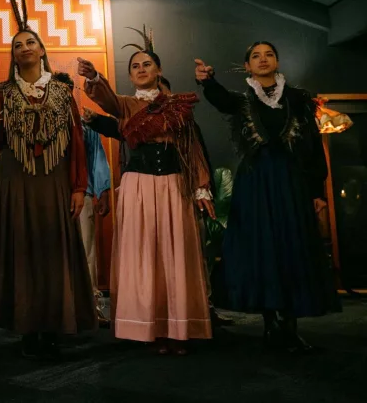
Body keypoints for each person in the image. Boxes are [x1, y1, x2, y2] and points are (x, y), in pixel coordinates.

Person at [0, 0, 95, 360]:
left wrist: (79, 187)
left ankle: (52, 326)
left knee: (53, 253)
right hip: (15, 181)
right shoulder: (1, 93)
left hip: (54, 182)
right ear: (13, 54)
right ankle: (26, 329)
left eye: (30, 42)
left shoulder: (63, 92)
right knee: (20, 252)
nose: (24, 48)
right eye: (17, 44)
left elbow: (76, 147)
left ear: (41, 49)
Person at [195, 42, 340, 353]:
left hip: (291, 182)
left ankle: (290, 325)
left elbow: (313, 144)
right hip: (256, 183)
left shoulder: (298, 98)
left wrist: (317, 191)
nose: (263, 60)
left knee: (292, 246)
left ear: (277, 61)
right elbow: (221, 101)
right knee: (262, 248)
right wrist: (207, 80)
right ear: (247, 66)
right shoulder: (244, 99)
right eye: (256, 56)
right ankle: (270, 323)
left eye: (269, 54)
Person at [78, 27, 214, 355]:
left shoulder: (178, 106)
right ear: (130, 74)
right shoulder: (125, 106)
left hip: (172, 186)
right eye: (135, 66)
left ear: (159, 70)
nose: (141, 69)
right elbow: (106, 99)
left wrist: (201, 189)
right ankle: (147, 327)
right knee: (144, 256)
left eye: (147, 64)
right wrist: (95, 77)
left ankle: (177, 328)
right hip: (138, 187)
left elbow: (191, 147)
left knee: (174, 256)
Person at [78, 120, 111, 325]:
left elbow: (98, 158)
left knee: (87, 251)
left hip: (83, 194)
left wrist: (103, 190)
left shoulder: (84, 126)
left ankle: (92, 305)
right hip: (52, 194)